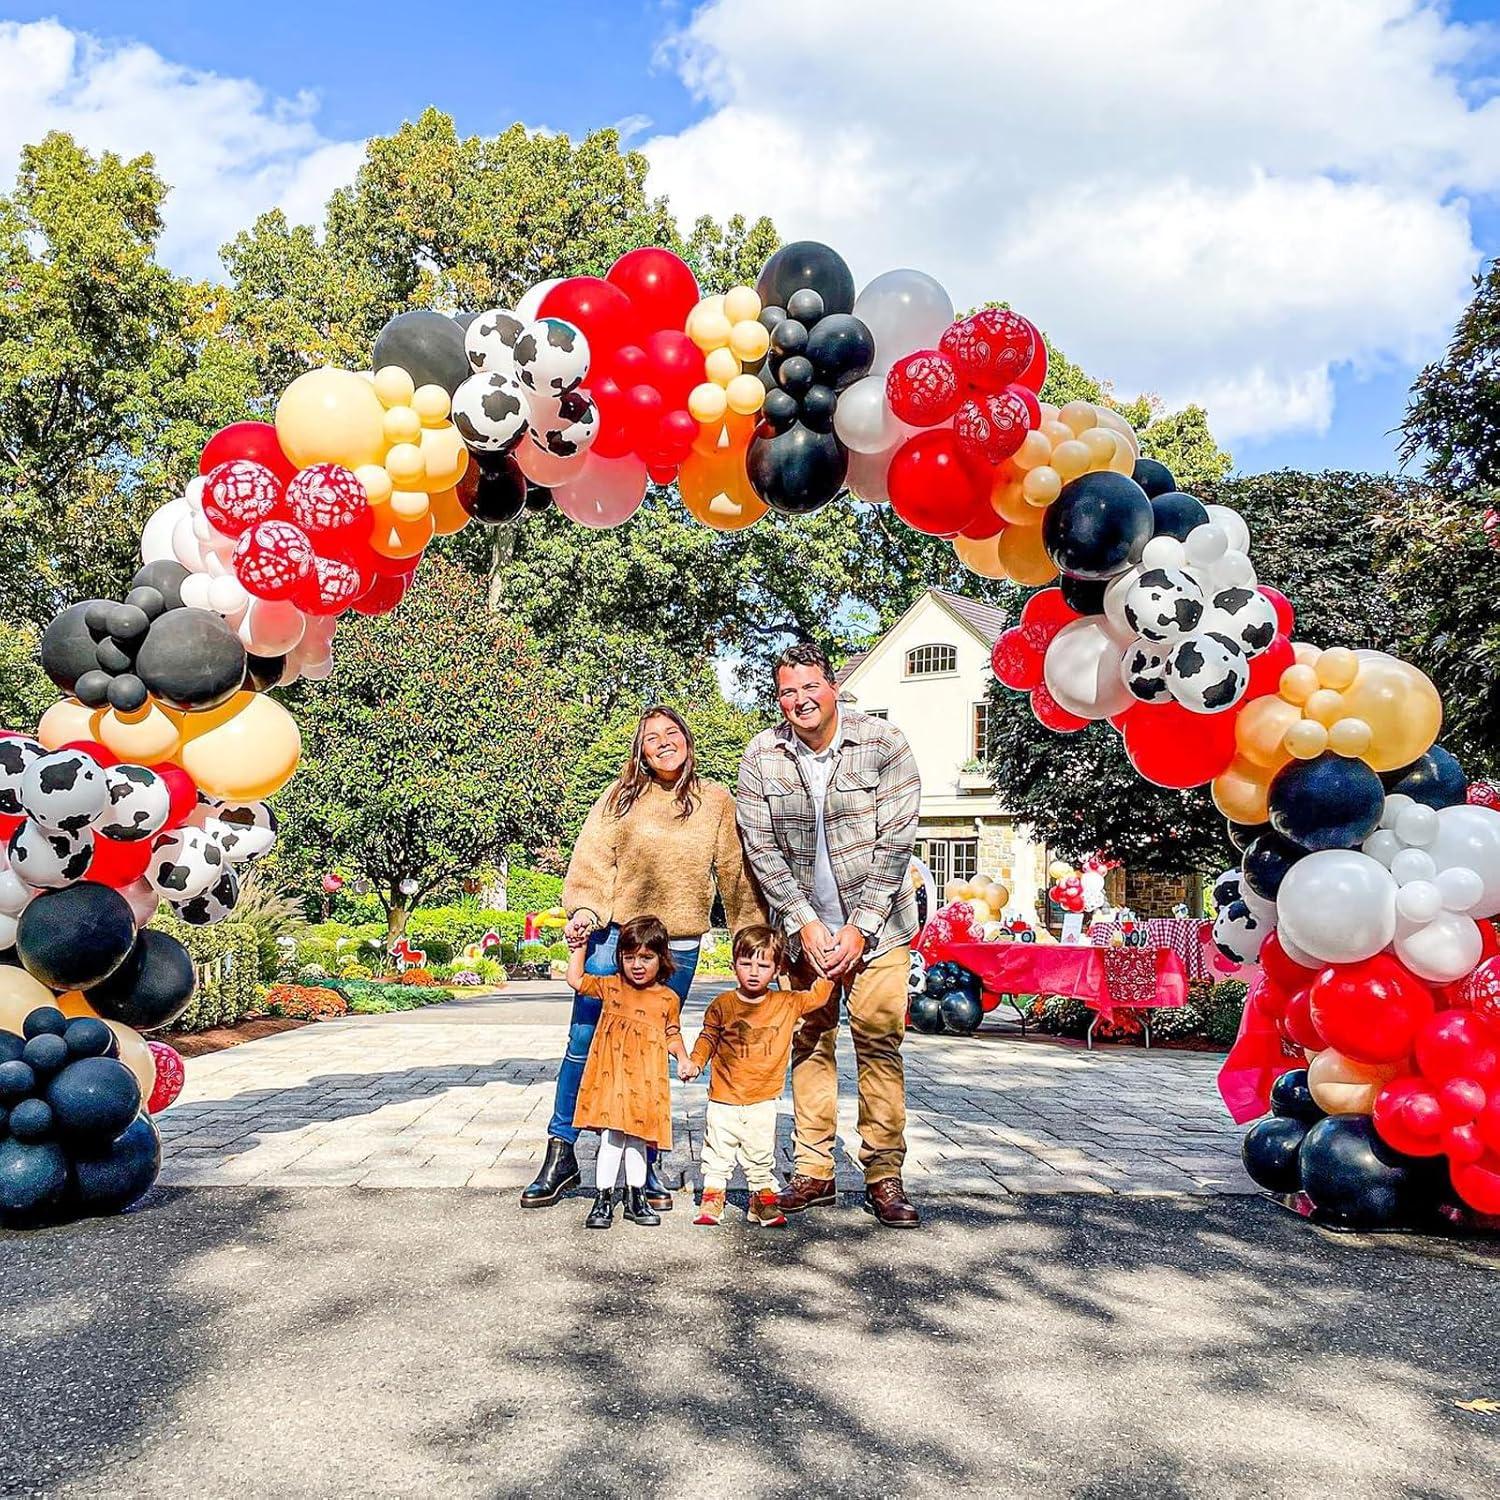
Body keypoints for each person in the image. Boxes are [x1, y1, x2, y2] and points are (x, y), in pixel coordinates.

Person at [522, 705, 764, 1210]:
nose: (662, 742)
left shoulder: (716, 802)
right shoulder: (619, 797)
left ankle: (646, 1164)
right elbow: (592, 862)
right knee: (584, 1042)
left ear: (687, 740)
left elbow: (736, 875)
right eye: (651, 737)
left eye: (670, 733)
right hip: (617, 939)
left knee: (653, 1052)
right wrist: (585, 911)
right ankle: (562, 1151)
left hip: (676, 947)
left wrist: (751, 936)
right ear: (641, 750)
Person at [736, 641, 923, 1227]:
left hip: (881, 932)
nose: (799, 700)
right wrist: (805, 923)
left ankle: (884, 1174)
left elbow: (896, 843)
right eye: (787, 691)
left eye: (809, 687)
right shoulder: (762, 755)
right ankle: (814, 1172)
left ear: (832, 686)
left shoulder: (883, 744)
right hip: (802, 936)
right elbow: (760, 847)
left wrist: (859, 930)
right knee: (809, 1043)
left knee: (878, 1044)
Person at [688, 924, 834, 1228]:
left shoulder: (787, 1003)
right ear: (733, 966)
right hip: (723, 1099)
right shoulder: (722, 1005)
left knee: (760, 1153)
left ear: (776, 968)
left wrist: (830, 965)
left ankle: (761, 1202)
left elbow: (818, 996)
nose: (754, 972)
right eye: (746, 963)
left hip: (763, 1100)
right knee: (717, 1152)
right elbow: (708, 1037)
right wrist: (696, 1062)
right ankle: (712, 1198)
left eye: (763, 965)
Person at [566, 915, 696, 1229]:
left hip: (646, 1079)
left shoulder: (667, 998)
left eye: (646, 957)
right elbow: (576, 979)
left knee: (639, 1139)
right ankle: (603, 1199)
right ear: (620, 958)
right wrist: (579, 947)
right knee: (612, 1138)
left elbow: (672, 1034)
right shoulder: (611, 987)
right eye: (629, 957)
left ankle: (637, 1197)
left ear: (661, 958)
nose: (637, 965)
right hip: (612, 1077)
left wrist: (684, 1059)